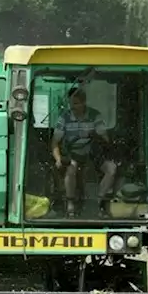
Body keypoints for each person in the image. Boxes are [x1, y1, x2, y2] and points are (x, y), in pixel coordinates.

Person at [52, 87, 117, 217]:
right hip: (72, 154)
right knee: (71, 168)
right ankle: (70, 205)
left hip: (92, 154)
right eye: (71, 103)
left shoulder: (95, 116)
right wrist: (58, 158)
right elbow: (55, 142)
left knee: (112, 168)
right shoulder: (64, 118)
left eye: (76, 103)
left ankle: (97, 201)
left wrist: (92, 133)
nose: (73, 107)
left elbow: (105, 139)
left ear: (84, 102)